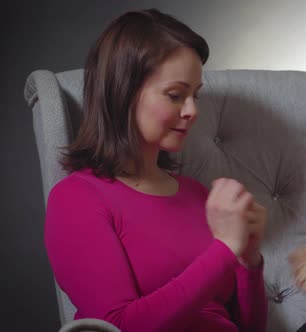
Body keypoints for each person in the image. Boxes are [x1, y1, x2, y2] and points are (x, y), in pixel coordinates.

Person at [44, 8, 268, 332]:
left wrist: (249, 259)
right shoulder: (76, 198)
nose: (192, 111)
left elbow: (248, 328)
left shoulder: (197, 194)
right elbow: (117, 325)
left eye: (195, 95)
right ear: (123, 92)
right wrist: (224, 250)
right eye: (176, 95)